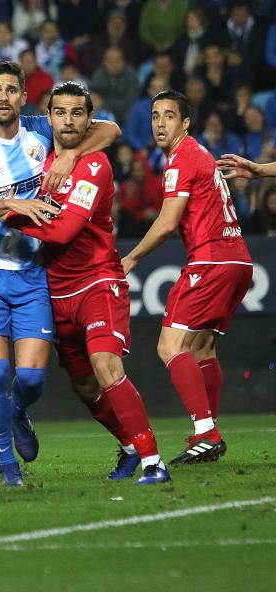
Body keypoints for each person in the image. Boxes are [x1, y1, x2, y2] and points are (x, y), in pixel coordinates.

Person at [0, 60, 120, 487]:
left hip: (33, 276)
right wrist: (9, 204)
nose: (3, 96)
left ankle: (19, 411)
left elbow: (111, 130)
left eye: (11, 89)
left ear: (23, 97)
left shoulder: (43, 131)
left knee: (32, 379)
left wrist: (74, 154)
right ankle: (8, 468)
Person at [4, 83, 171, 485]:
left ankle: (153, 462)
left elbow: (64, 232)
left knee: (105, 364)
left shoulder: (95, 166)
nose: (67, 120)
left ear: (88, 118)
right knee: (84, 385)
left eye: (77, 113)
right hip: (55, 290)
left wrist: (14, 216)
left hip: (97, 282)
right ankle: (130, 445)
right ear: (49, 118)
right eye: (59, 112)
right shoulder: (40, 161)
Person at [121, 91, 253, 465]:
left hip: (211, 260)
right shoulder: (199, 153)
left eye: (168, 116)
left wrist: (130, 258)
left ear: (185, 123)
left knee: (169, 347)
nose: (160, 123)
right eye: (155, 116)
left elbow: (166, 224)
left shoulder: (181, 158)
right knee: (201, 349)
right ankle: (205, 433)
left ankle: (207, 433)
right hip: (237, 261)